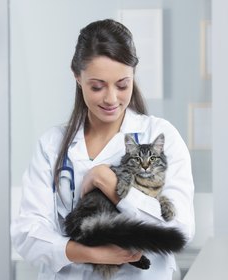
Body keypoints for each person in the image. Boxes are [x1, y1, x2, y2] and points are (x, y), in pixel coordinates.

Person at [11, 19, 195, 280]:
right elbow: (27, 234)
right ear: (77, 77)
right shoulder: (52, 144)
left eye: (122, 85)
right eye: (97, 86)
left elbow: (179, 230)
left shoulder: (159, 135)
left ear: (133, 75)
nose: (111, 98)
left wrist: (109, 183)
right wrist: (92, 253)